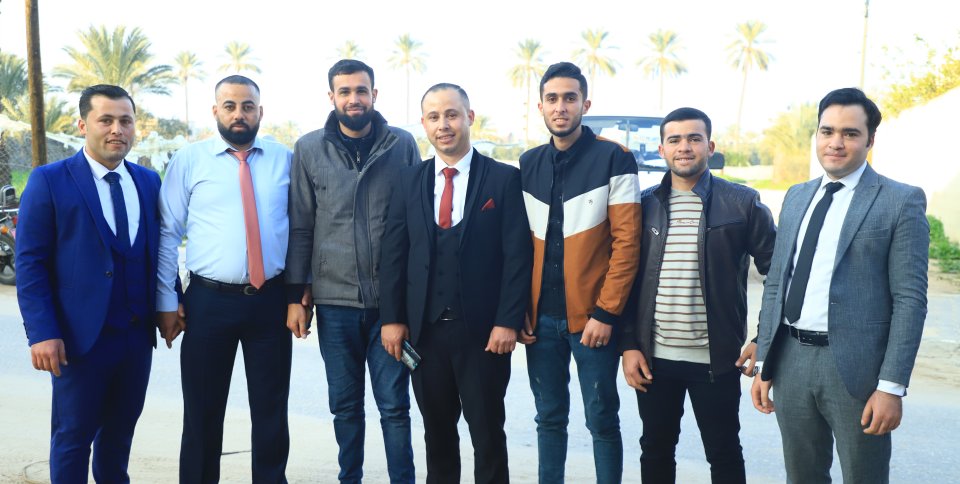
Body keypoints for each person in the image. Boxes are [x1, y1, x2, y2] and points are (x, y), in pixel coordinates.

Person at [752, 87, 929, 483]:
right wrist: (765, 359)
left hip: (857, 371)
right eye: (827, 131)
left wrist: (891, 386)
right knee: (802, 476)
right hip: (791, 361)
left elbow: (909, 300)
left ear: (870, 140)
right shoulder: (797, 197)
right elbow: (777, 282)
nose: (835, 142)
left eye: (850, 133)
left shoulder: (899, 201)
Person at [379, 83, 532, 484]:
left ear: (469, 117)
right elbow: (393, 255)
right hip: (425, 332)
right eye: (434, 117)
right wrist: (392, 318)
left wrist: (507, 321)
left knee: (487, 433)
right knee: (437, 434)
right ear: (424, 124)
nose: (443, 125)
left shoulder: (503, 179)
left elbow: (517, 257)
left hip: (482, 333)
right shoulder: (408, 181)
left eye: (451, 114)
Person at [16, 84, 166, 482]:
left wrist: (171, 304)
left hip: (136, 338)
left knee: (119, 438)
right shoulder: (50, 180)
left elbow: (159, 251)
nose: (117, 129)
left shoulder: (148, 182)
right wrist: (42, 332)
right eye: (106, 120)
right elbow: (30, 264)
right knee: (73, 438)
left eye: (126, 121)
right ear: (83, 125)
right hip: (78, 340)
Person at [618, 107, 777, 483]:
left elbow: (780, 273)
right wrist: (628, 345)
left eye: (694, 138)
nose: (684, 147)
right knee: (655, 450)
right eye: (674, 140)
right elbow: (624, 279)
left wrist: (763, 338)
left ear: (710, 146)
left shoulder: (742, 202)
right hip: (654, 359)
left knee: (723, 452)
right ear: (662, 149)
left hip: (716, 359)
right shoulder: (643, 204)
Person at [285, 59, 420, 483]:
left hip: (390, 304)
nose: (354, 99)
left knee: (394, 407)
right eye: (344, 91)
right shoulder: (309, 149)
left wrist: (412, 295)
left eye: (361, 90)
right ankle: (350, 479)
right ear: (332, 97)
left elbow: (416, 222)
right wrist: (296, 295)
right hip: (335, 302)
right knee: (344, 406)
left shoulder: (401, 144)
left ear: (374, 94)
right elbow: (301, 225)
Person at [157, 75, 294, 483]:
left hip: (270, 302)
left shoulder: (284, 159)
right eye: (230, 106)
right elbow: (167, 233)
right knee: (202, 411)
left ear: (260, 112)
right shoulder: (189, 160)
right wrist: (166, 300)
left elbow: (303, 228)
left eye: (248, 106)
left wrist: (299, 295)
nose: (239, 114)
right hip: (208, 302)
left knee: (271, 412)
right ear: (215, 111)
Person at [518, 61, 641, 483]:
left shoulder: (615, 158)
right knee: (548, 418)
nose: (561, 107)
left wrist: (606, 313)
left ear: (585, 104)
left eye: (570, 98)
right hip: (541, 320)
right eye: (552, 99)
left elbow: (628, 245)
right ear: (540, 106)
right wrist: (521, 309)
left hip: (592, 320)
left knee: (601, 419)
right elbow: (520, 246)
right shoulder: (529, 162)